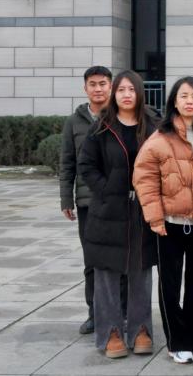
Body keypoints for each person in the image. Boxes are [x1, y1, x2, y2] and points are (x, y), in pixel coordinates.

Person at [133, 76, 193, 365]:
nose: (189, 101)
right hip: (170, 224)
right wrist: (155, 217)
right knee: (170, 287)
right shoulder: (160, 138)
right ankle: (177, 341)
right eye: (184, 96)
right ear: (174, 100)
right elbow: (144, 179)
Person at [77, 70, 156, 359]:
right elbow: (86, 165)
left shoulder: (153, 126)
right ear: (115, 94)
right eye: (121, 90)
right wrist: (106, 190)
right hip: (109, 210)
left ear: (139, 93)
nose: (126, 95)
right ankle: (110, 332)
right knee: (107, 272)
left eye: (131, 89)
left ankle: (140, 329)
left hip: (143, 209)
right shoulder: (102, 127)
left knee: (140, 271)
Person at [60, 64, 111, 335]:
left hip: (116, 200)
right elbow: (67, 162)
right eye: (93, 84)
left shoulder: (120, 116)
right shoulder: (74, 121)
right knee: (91, 260)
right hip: (87, 202)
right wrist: (65, 199)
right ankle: (94, 313)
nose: (98, 89)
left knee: (119, 260)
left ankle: (121, 312)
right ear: (85, 88)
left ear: (110, 86)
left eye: (102, 84)